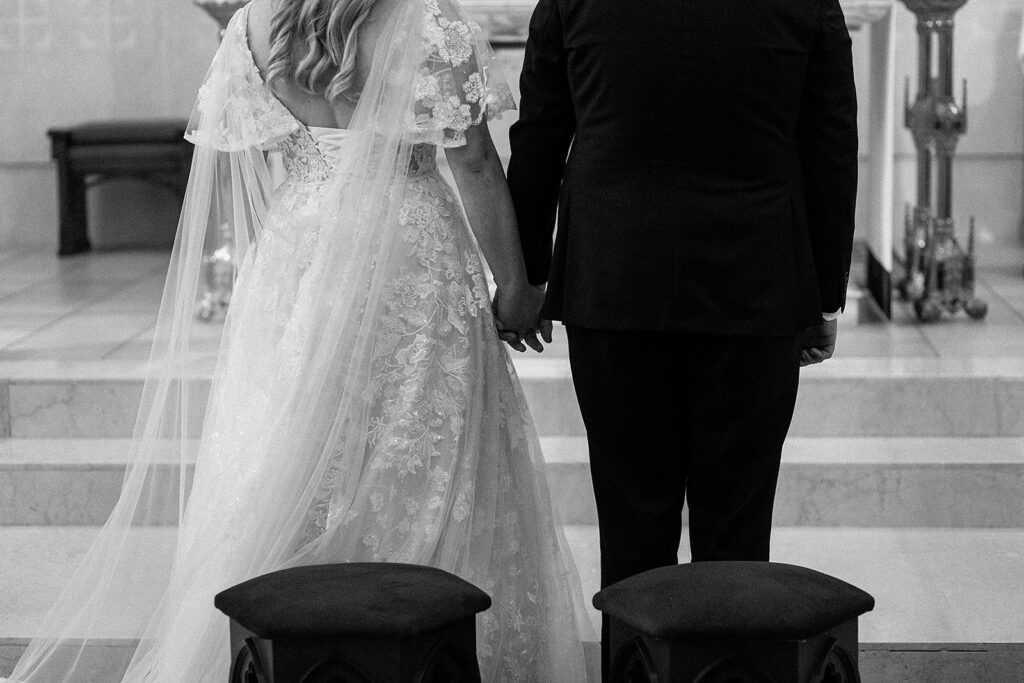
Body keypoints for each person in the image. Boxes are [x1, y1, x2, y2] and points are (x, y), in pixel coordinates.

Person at [3, 0, 591, 680]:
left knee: (297, 444)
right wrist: (517, 288)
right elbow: (478, 164)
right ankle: (427, 642)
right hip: (411, 249)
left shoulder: (254, 26)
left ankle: (303, 647)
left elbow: (246, 155)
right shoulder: (425, 19)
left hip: (298, 251)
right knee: (422, 448)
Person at [505, 0, 858, 676]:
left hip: (615, 276)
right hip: (754, 278)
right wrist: (824, 294)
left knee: (631, 520)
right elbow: (830, 142)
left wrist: (528, 274)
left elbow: (542, 132)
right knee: (738, 529)